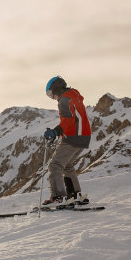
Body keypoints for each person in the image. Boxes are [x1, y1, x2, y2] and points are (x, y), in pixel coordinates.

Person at [43, 76, 91, 205]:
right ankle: (75, 195)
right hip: (83, 137)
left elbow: (67, 120)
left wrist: (55, 132)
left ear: (56, 89)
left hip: (73, 137)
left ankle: (58, 197)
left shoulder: (64, 100)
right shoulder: (74, 96)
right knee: (67, 165)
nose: (52, 97)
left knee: (55, 165)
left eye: (51, 94)